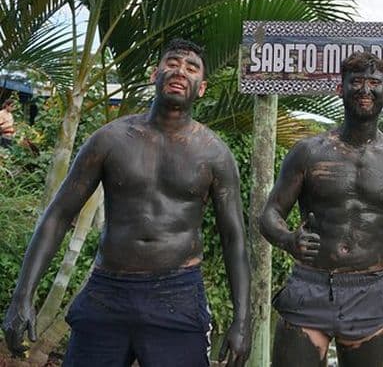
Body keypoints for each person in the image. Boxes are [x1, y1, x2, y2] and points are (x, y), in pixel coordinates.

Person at [2, 39, 251, 367]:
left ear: (201, 88)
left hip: (176, 294)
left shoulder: (215, 154)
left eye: (192, 69)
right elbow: (57, 216)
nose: (180, 71)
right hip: (108, 291)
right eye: (172, 63)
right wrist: (22, 295)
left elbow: (234, 239)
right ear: (154, 74)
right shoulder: (110, 140)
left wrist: (242, 321)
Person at [259, 51, 383, 367]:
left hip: (368, 288)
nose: (365, 90)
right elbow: (270, 215)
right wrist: (288, 241)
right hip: (309, 283)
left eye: (374, 83)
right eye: (356, 82)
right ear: (341, 89)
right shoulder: (308, 153)